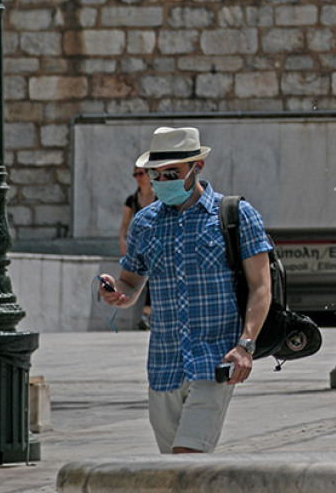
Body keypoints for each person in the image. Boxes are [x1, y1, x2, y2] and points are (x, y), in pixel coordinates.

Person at [99, 126, 273, 454]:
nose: (162, 181)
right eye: (156, 174)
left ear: (197, 168)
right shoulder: (144, 223)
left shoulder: (236, 215)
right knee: (175, 475)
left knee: (187, 457)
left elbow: (261, 286)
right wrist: (117, 292)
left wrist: (245, 346)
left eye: (172, 173)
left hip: (215, 361)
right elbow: (132, 282)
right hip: (163, 366)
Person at [120, 166, 156, 329]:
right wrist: (123, 242)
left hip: (155, 244)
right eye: (135, 174)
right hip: (139, 246)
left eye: (141, 174)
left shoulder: (159, 197)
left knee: (151, 276)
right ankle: (146, 313)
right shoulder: (133, 199)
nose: (138, 178)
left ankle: (147, 313)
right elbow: (125, 225)